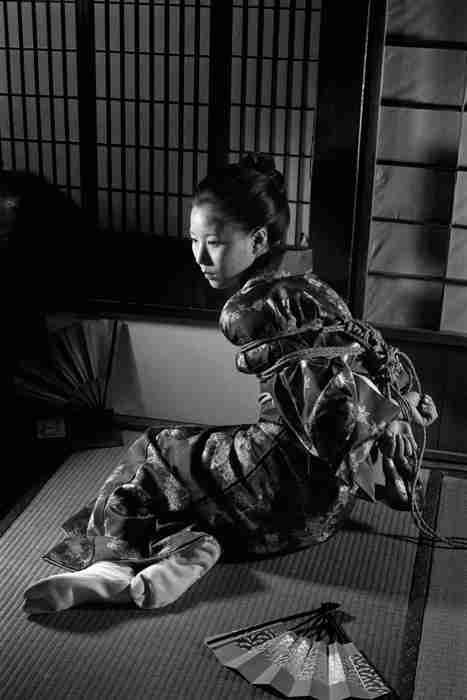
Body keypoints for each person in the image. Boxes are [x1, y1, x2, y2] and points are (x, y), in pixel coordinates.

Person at [24, 154, 438, 614]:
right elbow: (367, 376)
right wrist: (396, 412)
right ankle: (189, 556)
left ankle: (111, 565)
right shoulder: (313, 289)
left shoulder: (252, 311)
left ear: (258, 240)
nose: (200, 257)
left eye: (215, 243)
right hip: (323, 510)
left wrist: (377, 418)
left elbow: (331, 421)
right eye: (194, 241)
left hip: (277, 497)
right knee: (195, 474)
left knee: (154, 450)